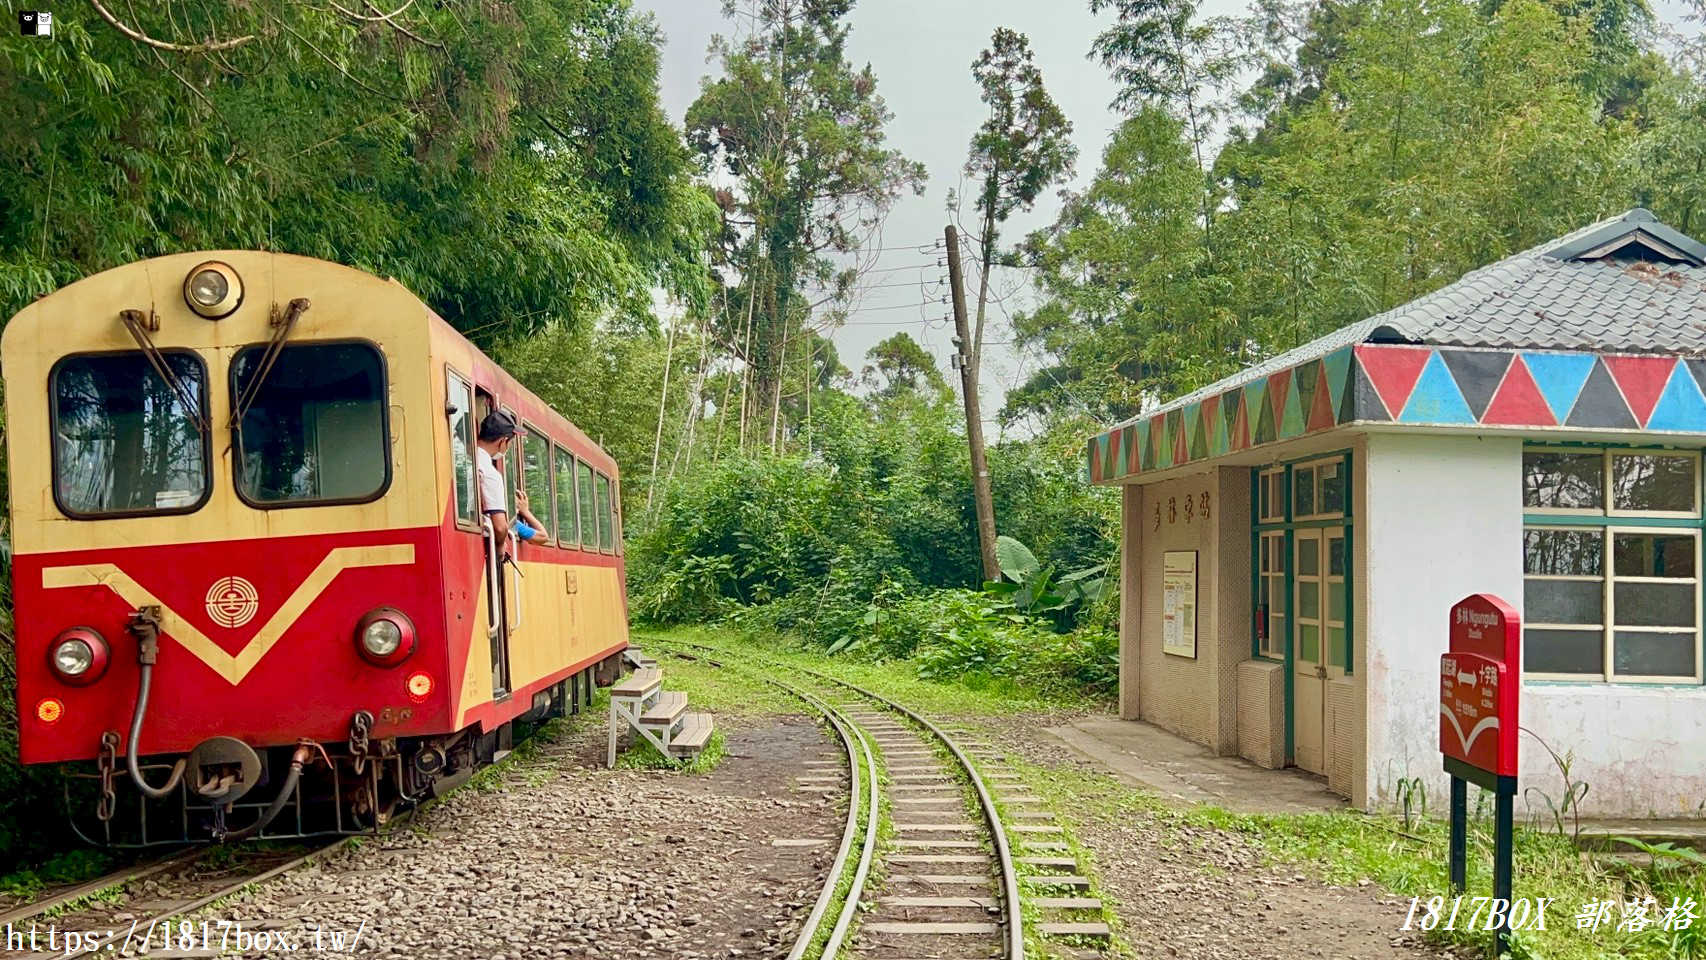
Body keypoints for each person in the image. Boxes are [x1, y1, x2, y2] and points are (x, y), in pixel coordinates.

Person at [475, 410, 518, 554]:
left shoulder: (465, 459)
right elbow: (500, 527)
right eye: (510, 443)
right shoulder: (490, 473)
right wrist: (500, 547)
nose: (508, 447)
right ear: (502, 441)